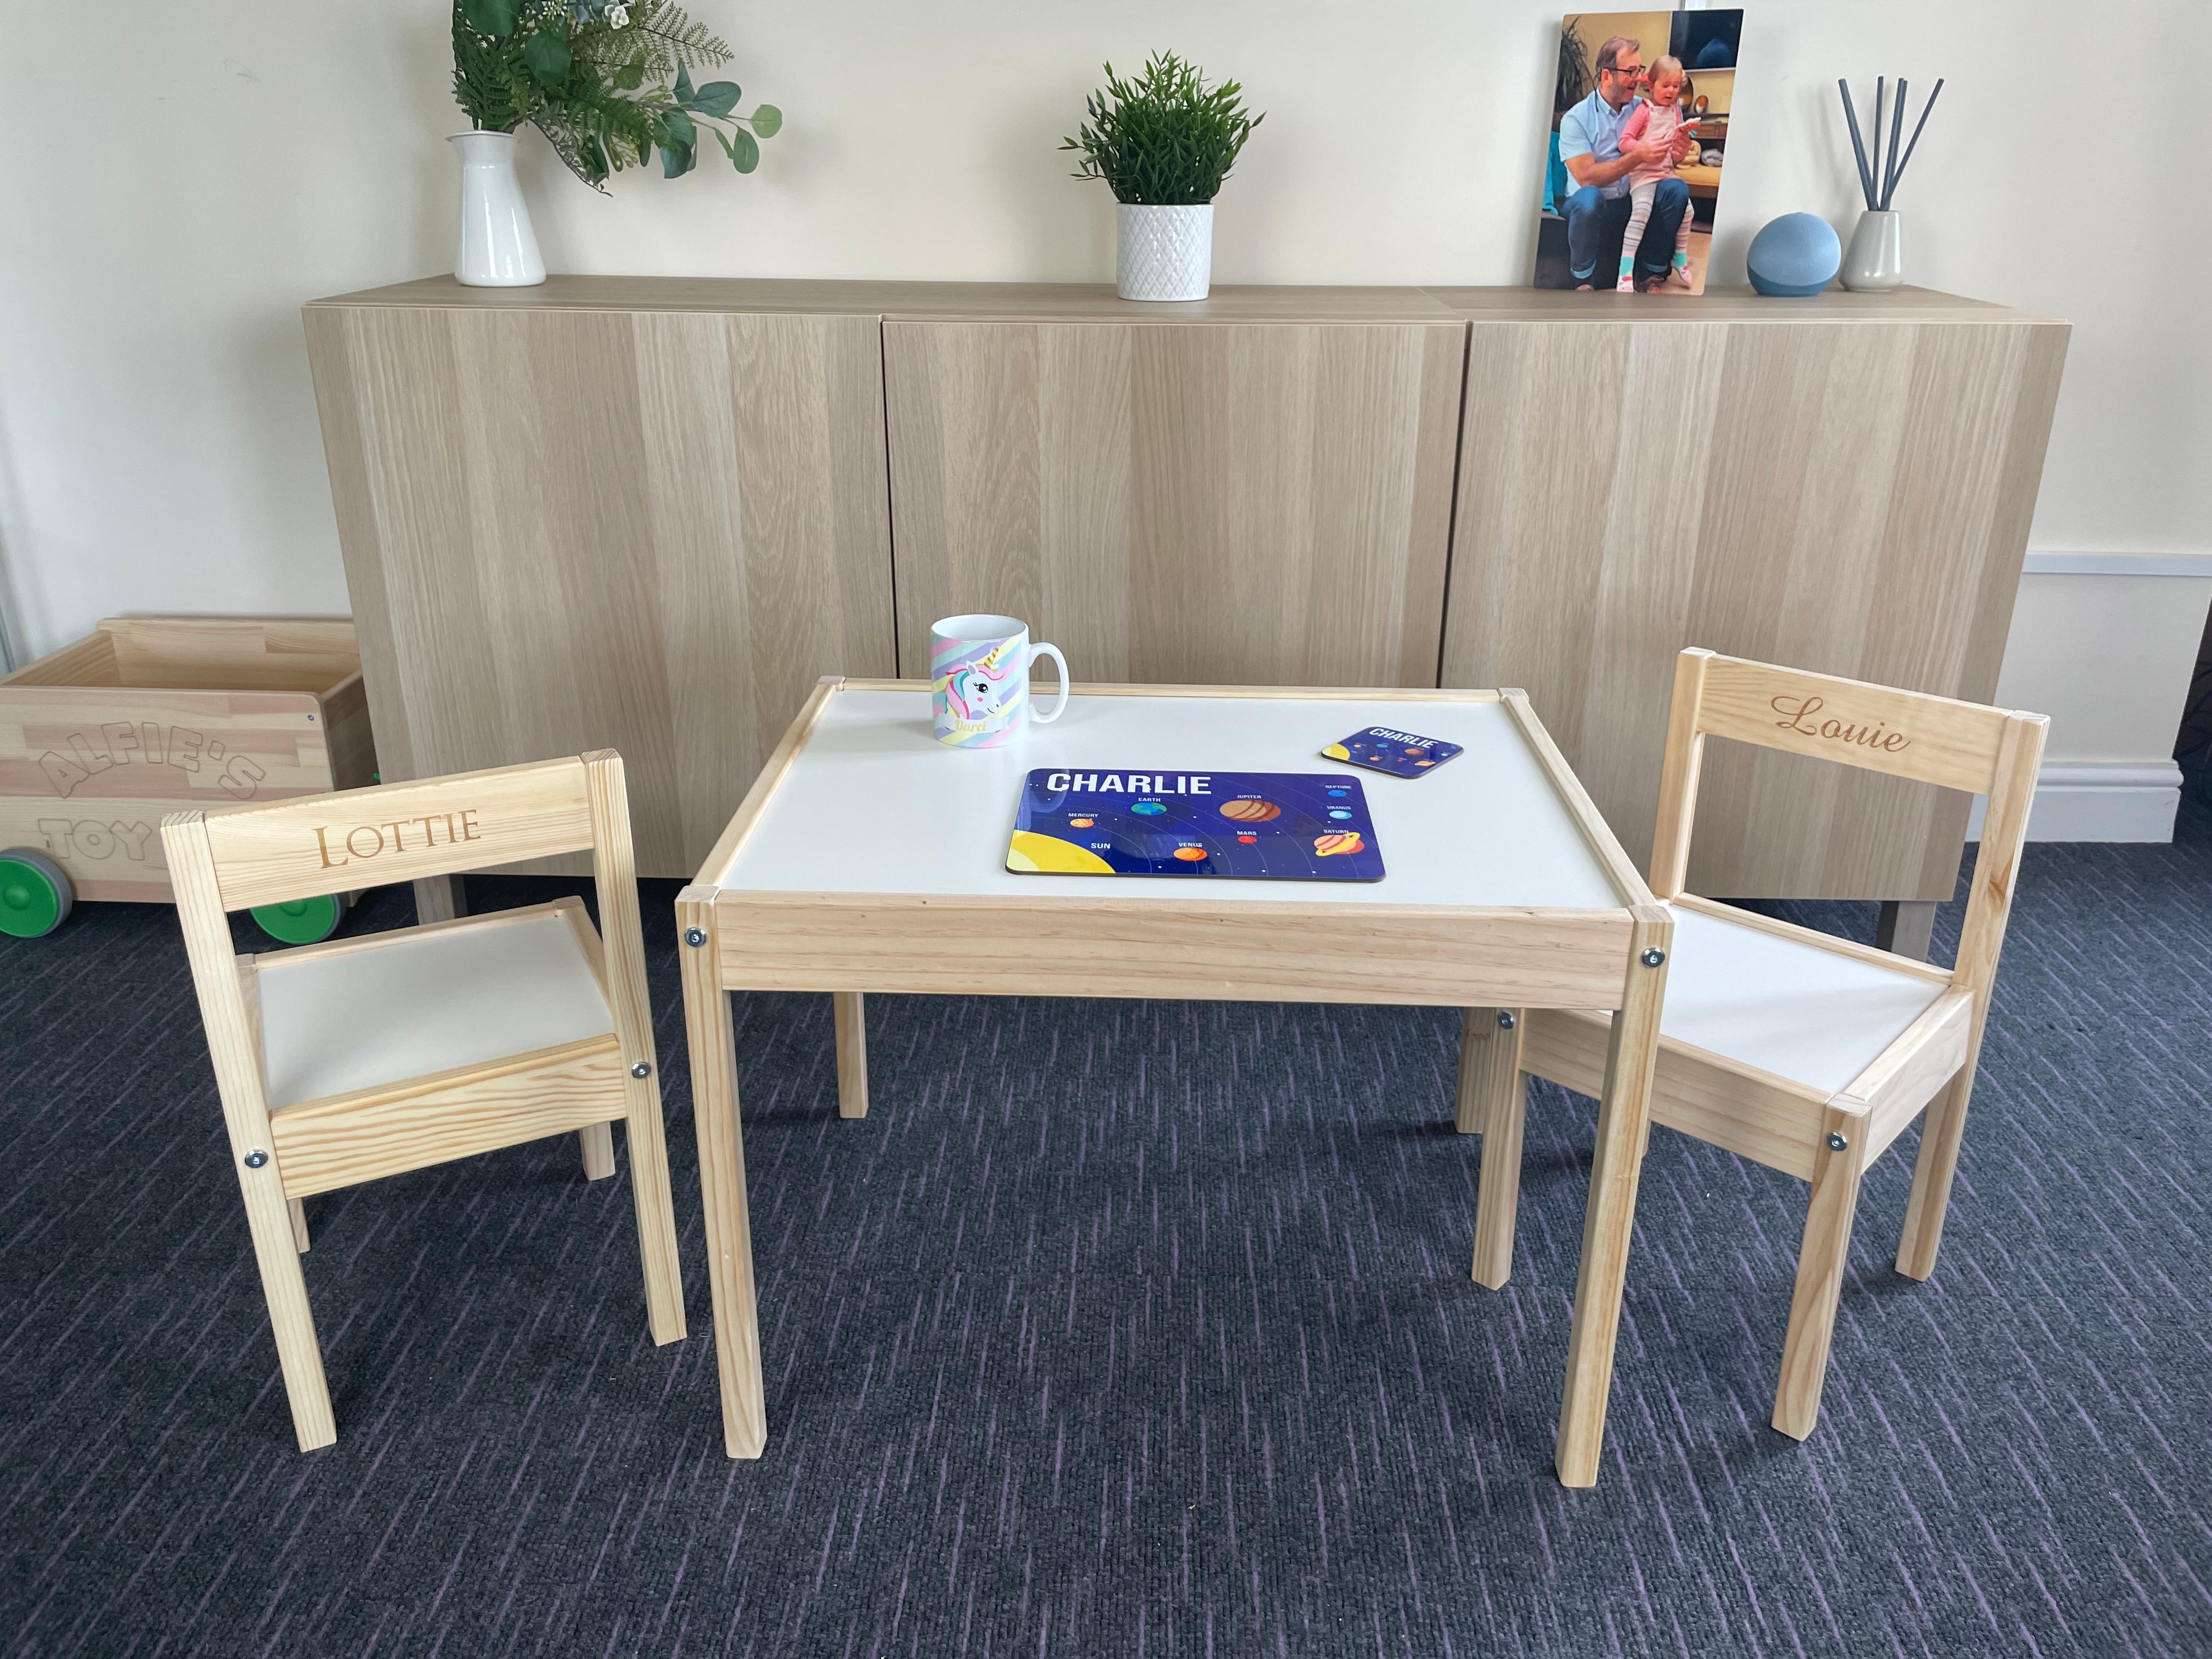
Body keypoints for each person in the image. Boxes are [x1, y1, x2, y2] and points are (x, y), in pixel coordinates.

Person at [1556, 35, 1692, 291]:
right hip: (1590, 203)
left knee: (1676, 190)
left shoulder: (1648, 107)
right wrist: (1638, 156)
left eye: (1640, 70)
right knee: (1589, 198)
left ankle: (1651, 273)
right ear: (1606, 76)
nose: (1640, 78)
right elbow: (1586, 177)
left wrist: (1678, 152)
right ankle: (1583, 280)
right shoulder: (1576, 119)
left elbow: (1667, 158)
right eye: (1630, 71)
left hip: (1630, 196)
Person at [1612, 57, 1697, 290]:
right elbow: (1624, 142)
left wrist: (1684, 137)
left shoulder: (1675, 111)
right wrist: (1643, 150)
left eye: (1676, 86)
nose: (1671, 92)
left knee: (1689, 211)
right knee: (1640, 214)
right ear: (1651, 85)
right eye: (1665, 86)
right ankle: (1625, 272)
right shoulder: (1644, 111)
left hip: (1665, 172)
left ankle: (1679, 258)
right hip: (1643, 176)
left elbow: (1677, 146)